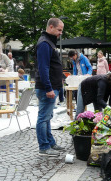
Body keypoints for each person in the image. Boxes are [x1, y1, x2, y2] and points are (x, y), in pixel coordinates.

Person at [35, 17, 65, 156]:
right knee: (43, 117)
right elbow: (43, 68)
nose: (60, 33)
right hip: (47, 88)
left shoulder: (49, 43)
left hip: (52, 86)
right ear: (51, 27)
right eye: (59, 30)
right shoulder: (44, 44)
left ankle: (50, 143)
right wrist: (48, 88)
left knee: (47, 117)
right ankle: (44, 146)